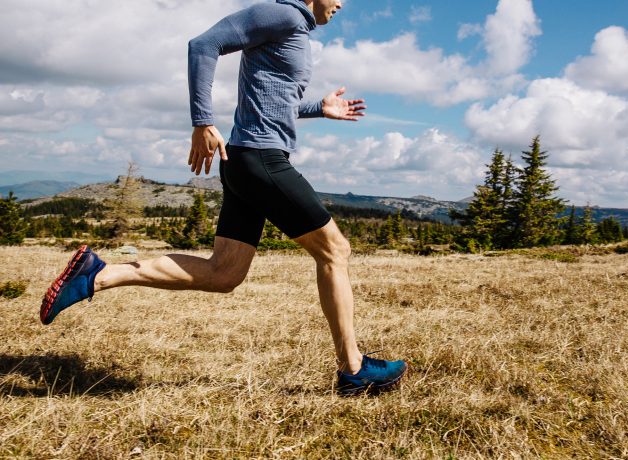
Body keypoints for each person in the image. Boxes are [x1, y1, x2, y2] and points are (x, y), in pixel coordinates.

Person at [40, 0, 406, 396]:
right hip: (260, 160)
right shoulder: (281, 13)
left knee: (224, 273)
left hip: (248, 161)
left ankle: (98, 274)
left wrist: (320, 108)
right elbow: (203, 44)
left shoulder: (293, 29)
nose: (341, 3)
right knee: (335, 250)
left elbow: (273, 101)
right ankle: (353, 369)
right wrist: (202, 121)